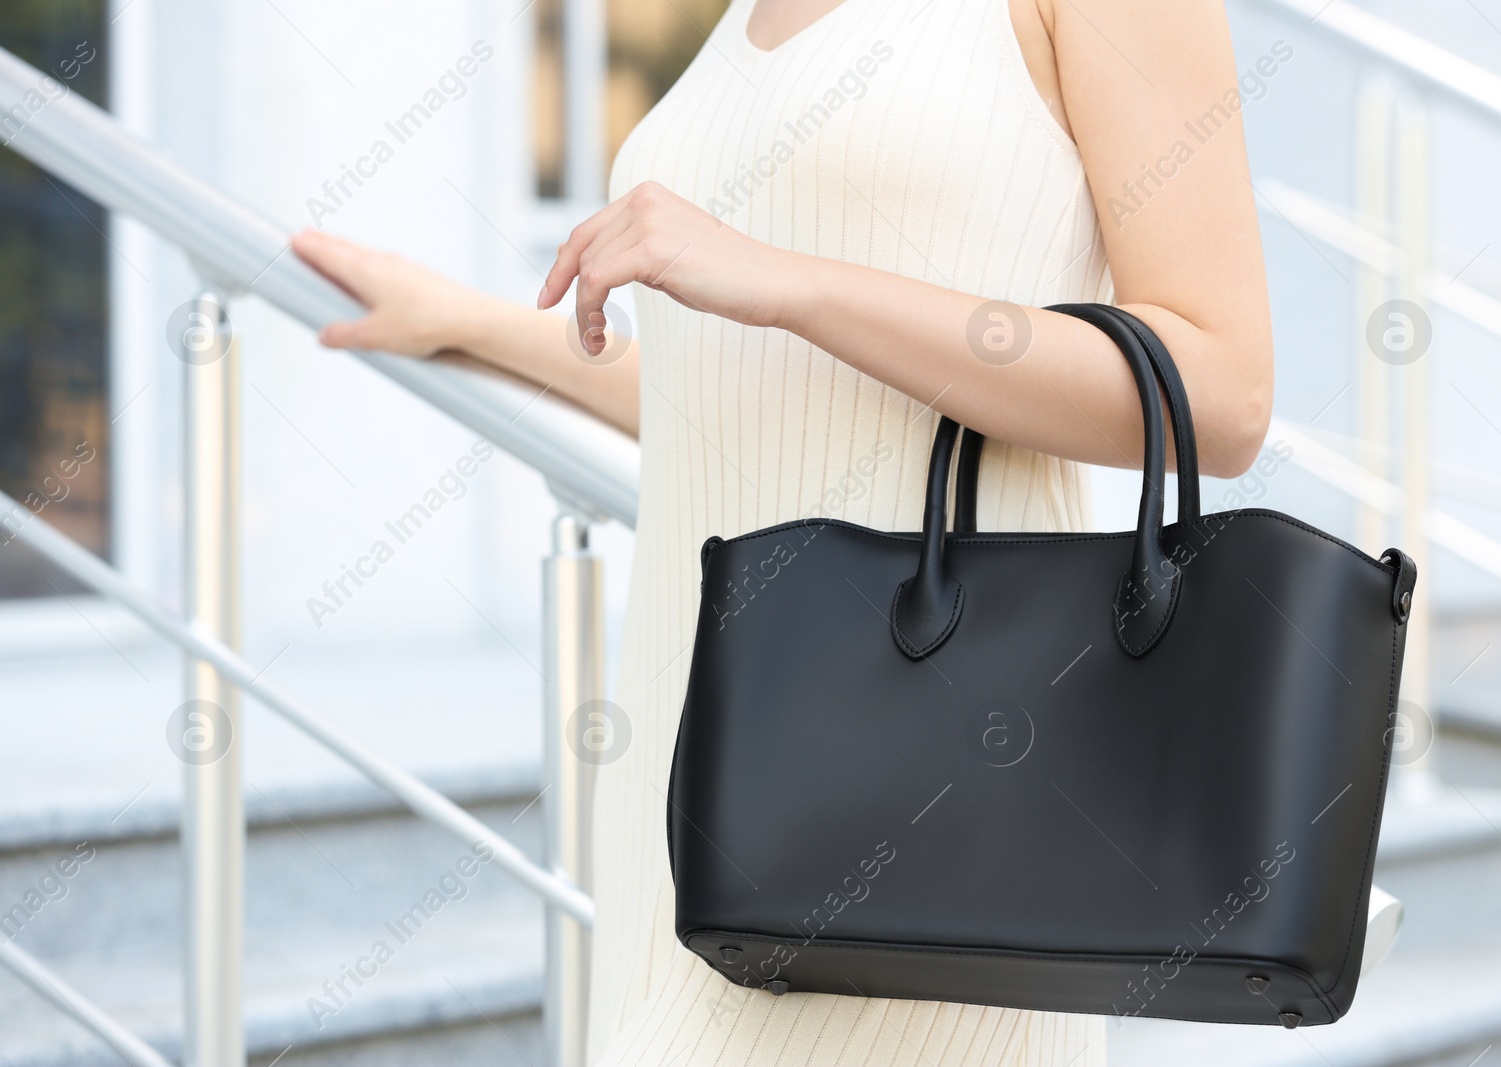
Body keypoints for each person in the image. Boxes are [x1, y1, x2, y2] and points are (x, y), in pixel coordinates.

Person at [293, 1, 1273, 1062]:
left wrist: (788, 284)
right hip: (697, 790)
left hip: (929, 789)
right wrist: (470, 323)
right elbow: (754, 401)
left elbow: (1221, 393)